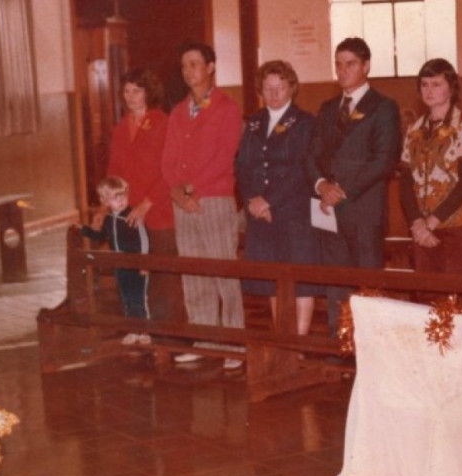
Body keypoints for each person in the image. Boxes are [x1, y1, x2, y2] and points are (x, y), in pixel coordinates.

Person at [306, 37, 402, 334]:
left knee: (367, 288)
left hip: (363, 212)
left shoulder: (384, 107)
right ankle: (341, 348)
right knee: (336, 287)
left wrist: (342, 190)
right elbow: (311, 154)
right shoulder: (327, 107)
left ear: (366, 66)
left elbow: (383, 160)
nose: (342, 70)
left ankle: (371, 354)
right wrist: (322, 185)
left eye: (350, 64)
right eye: (338, 64)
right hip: (329, 211)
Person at [161, 41, 245, 370]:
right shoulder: (179, 111)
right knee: (194, 273)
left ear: (210, 67)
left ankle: (234, 343)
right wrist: (177, 191)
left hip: (214, 199)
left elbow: (226, 155)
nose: (188, 71)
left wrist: (194, 187)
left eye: (194, 64)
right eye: (184, 66)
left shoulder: (227, 107)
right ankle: (204, 338)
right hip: (184, 202)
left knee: (222, 271)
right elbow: (167, 159)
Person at [235, 60, 319, 335]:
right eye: (268, 88)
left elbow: (301, 168)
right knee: (271, 278)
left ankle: (301, 341)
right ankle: (283, 337)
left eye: (280, 87)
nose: (273, 94)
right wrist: (253, 200)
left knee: (300, 279)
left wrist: (269, 201)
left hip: (293, 212)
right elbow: (242, 165)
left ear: (291, 88)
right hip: (260, 214)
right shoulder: (254, 122)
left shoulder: (305, 122)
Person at [107, 68, 184, 325]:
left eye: (136, 91)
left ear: (148, 93)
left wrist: (147, 203)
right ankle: (140, 330)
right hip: (127, 214)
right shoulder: (120, 128)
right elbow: (114, 173)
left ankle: (170, 336)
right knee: (131, 275)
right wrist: (108, 203)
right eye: (126, 91)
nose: (131, 97)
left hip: (159, 213)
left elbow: (171, 172)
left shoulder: (163, 122)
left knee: (163, 278)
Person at [399, 59, 462, 274]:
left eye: (436, 84)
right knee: (427, 299)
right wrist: (417, 223)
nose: (429, 90)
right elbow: (406, 182)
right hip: (422, 229)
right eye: (425, 84)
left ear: (452, 88)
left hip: (460, 225)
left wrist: (433, 221)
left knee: (459, 299)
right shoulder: (414, 130)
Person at [79, 177, 151, 345]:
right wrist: (84, 230)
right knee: (126, 299)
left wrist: (145, 264)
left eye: (123, 196)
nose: (121, 201)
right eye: (115, 198)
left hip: (136, 264)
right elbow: (102, 235)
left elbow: (144, 240)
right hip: (120, 266)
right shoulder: (109, 219)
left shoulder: (133, 216)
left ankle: (145, 330)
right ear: (105, 201)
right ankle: (133, 330)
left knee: (139, 298)